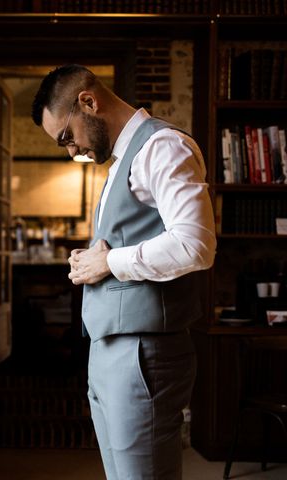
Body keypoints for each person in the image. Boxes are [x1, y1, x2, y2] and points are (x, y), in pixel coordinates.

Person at [31, 64, 216, 479]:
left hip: (143, 353)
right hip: (112, 350)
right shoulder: (120, 161)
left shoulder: (163, 147)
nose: (71, 150)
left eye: (66, 136)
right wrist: (94, 259)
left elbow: (196, 244)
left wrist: (108, 262)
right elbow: (133, 241)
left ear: (88, 102)